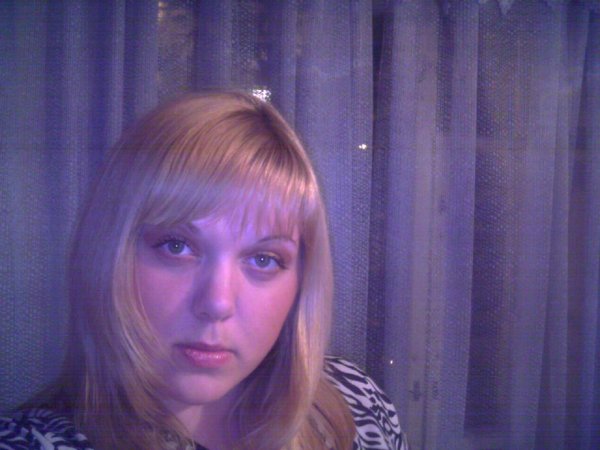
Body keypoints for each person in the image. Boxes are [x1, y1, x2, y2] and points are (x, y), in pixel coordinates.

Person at [0, 92, 408, 449]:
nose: (217, 303)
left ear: (301, 283)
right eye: (177, 247)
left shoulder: (357, 405)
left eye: (263, 259)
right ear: (111, 255)